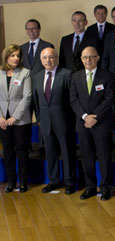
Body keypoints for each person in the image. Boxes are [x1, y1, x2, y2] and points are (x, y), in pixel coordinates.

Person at [70, 46, 114, 201]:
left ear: (98, 58)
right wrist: (85, 117)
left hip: (101, 123)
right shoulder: (75, 77)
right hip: (83, 124)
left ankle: (105, 188)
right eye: (85, 57)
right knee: (86, 157)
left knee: (104, 157)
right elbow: (73, 100)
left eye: (91, 57)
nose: (88, 60)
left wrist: (94, 117)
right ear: (81, 59)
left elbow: (109, 100)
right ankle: (90, 188)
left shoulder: (107, 76)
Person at [32, 47, 77, 194]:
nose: (48, 60)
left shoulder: (67, 74)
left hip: (64, 121)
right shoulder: (37, 77)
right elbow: (36, 101)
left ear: (56, 58)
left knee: (67, 152)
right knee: (50, 153)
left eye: (51, 57)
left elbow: (72, 100)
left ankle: (70, 182)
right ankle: (54, 181)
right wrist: (39, 118)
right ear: (41, 60)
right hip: (45, 122)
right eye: (45, 58)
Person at [0, 45, 32, 193]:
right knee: (7, 151)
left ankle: (23, 181)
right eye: (12, 55)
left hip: (20, 120)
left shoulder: (25, 73)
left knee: (21, 150)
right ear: (6, 56)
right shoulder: (0, 73)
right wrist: (1, 117)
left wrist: (14, 117)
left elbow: (27, 97)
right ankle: (11, 182)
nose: (16, 58)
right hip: (2, 120)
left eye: (18, 56)